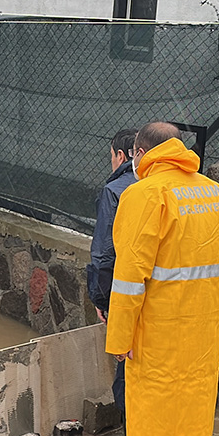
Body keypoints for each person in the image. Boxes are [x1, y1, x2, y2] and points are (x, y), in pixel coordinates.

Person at [89, 121, 219, 436]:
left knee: (148, 435)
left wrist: (119, 342)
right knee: (194, 426)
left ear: (139, 154)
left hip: (156, 338)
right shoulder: (216, 193)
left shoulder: (142, 196)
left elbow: (130, 277)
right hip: (202, 335)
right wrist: (201, 301)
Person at [86, 127, 138, 413]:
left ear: (121, 155)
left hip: (124, 293)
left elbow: (105, 254)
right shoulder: (169, 186)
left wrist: (101, 301)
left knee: (126, 374)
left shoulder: (115, 191)